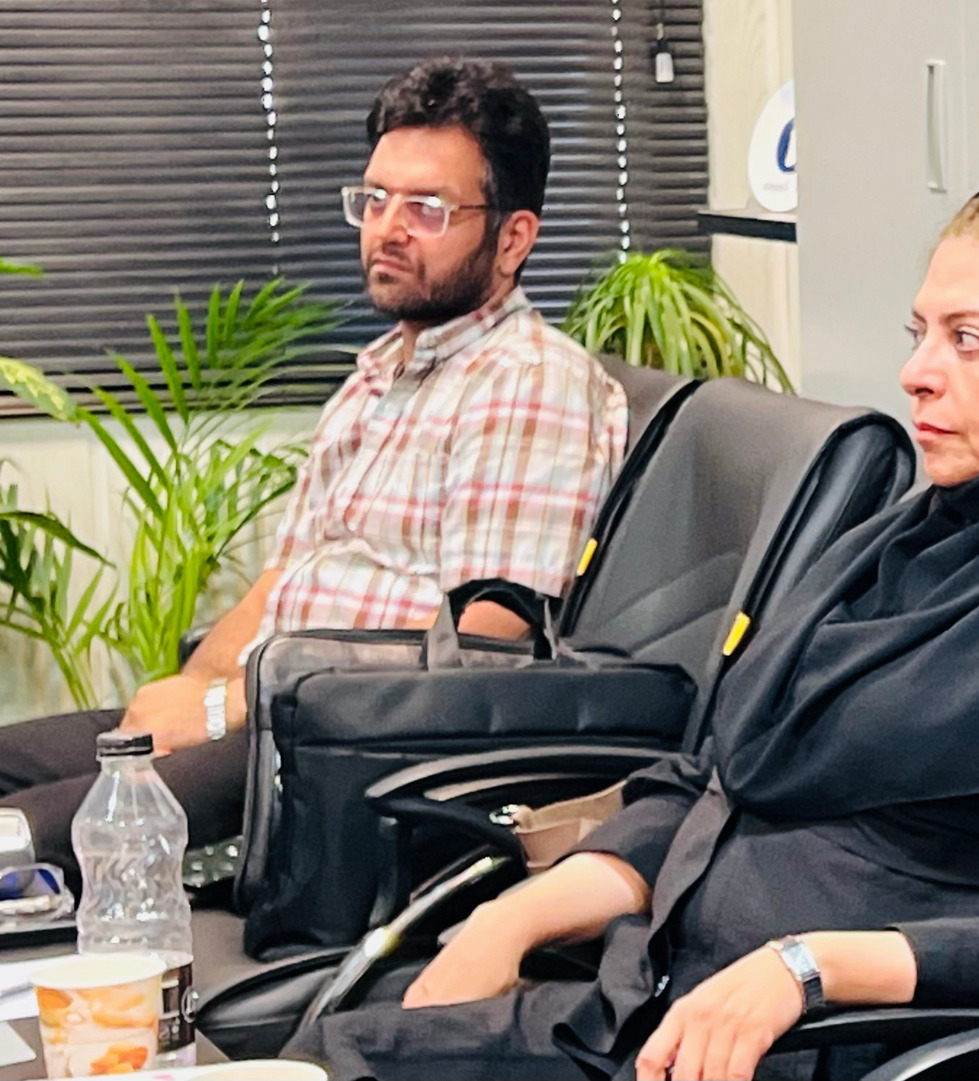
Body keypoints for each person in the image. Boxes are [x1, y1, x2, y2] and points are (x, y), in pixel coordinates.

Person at [285, 183, 979, 1081]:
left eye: (971, 340)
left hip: (814, 1048)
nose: (917, 374)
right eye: (920, 333)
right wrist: (514, 917)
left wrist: (807, 968)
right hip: (646, 1001)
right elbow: (712, 775)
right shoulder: (895, 549)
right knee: (323, 1052)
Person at [0, 57, 626, 887]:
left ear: (513, 237)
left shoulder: (528, 382)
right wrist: (189, 695)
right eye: (376, 199)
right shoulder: (378, 374)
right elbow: (283, 579)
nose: (388, 228)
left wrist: (221, 710)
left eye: (427, 208)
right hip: (260, 713)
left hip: (347, 746)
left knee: (21, 839)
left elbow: (481, 649)